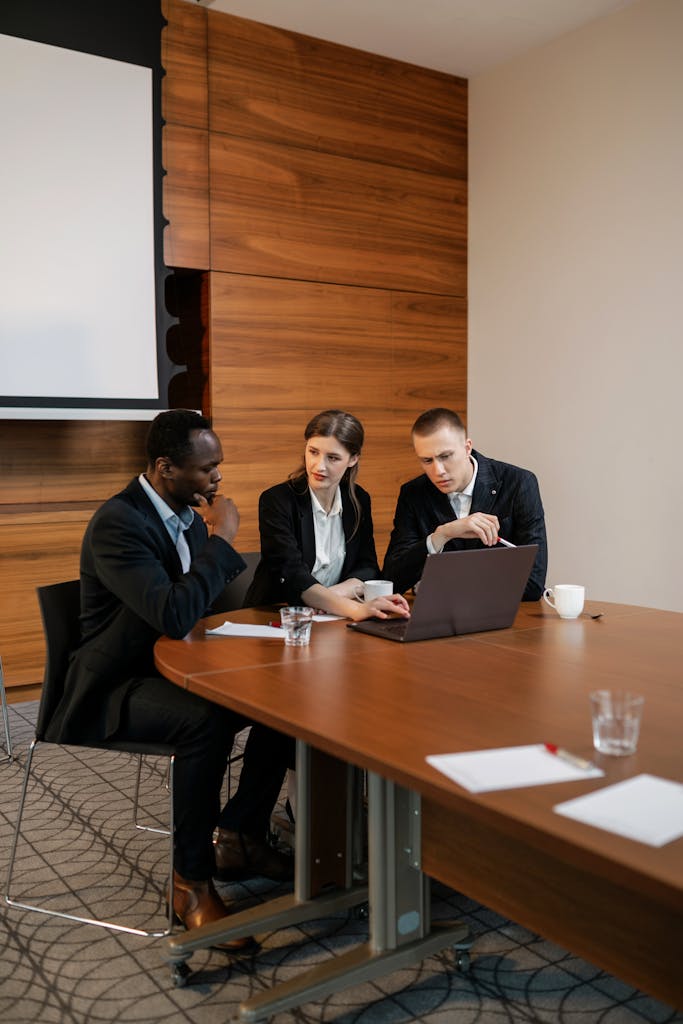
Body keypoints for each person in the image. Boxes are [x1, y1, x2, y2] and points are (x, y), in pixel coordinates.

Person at [45, 410, 293, 947]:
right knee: (203, 721)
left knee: (280, 697)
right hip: (114, 684)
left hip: (170, 664)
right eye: (208, 469)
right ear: (164, 468)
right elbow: (176, 614)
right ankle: (190, 884)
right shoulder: (120, 522)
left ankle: (242, 834)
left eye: (217, 467)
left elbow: (195, 610)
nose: (217, 479)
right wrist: (222, 540)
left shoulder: (178, 512)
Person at [245, 409, 410, 622]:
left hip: (329, 618)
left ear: (353, 459)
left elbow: (367, 569)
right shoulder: (276, 500)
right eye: (313, 452)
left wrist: (331, 599)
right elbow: (293, 575)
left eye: (332, 458)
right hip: (275, 618)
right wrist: (354, 609)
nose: (319, 466)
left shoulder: (358, 500)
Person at [383, 408, 547, 598]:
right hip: (438, 618)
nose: (438, 470)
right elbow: (392, 581)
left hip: (507, 618)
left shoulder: (519, 482)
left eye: (445, 456)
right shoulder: (413, 493)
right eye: (427, 460)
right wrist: (442, 535)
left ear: (467, 447)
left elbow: (534, 583)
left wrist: (441, 584)